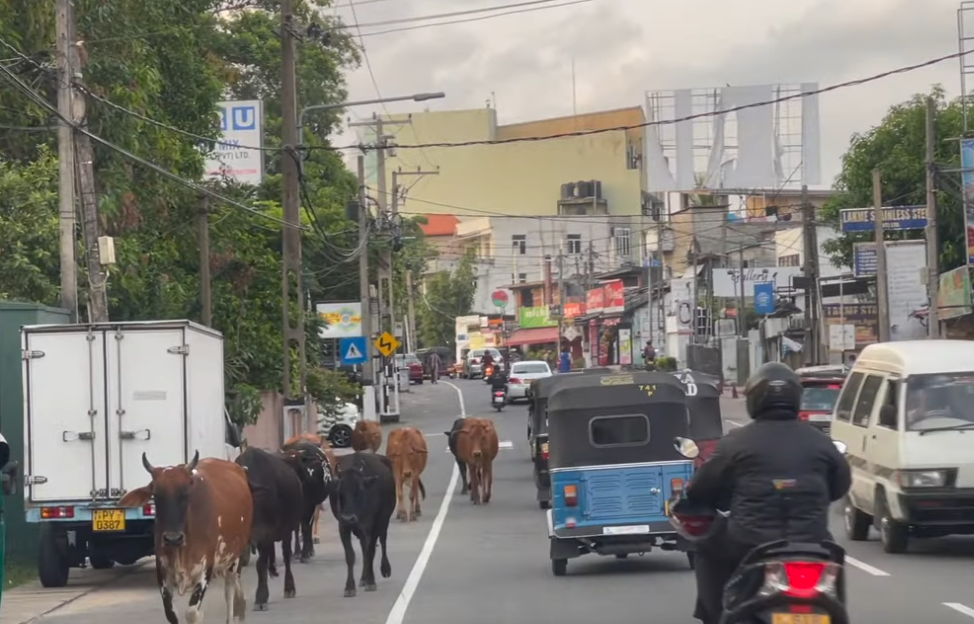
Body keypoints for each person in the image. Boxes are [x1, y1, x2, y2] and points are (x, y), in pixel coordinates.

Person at [683, 362, 851, 624]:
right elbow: (840, 486)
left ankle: (715, 616)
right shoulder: (820, 440)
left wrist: (699, 501)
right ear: (796, 398)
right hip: (813, 542)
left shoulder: (735, 443)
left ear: (754, 399)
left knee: (706, 549)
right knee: (834, 565)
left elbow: (700, 489)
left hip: (748, 542)